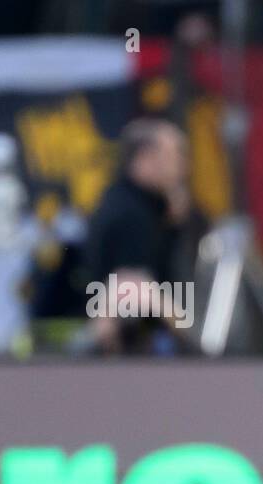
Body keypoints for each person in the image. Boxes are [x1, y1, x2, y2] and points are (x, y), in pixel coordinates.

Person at [83, 118, 192, 355]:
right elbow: (131, 285)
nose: (183, 166)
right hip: (129, 350)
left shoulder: (152, 207)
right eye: (176, 155)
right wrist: (189, 338)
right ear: (145, 158)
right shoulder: (129, 213)